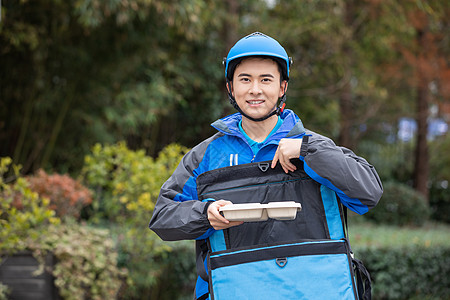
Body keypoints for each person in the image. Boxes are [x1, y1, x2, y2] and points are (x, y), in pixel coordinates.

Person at [149, 32, 383, 300]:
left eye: (266, 80)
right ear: (230, 87)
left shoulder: (315, 146)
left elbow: (368, 194)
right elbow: (163, 217)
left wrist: (306, 150)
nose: (255, 89)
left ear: (282, 87)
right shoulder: (205, 155)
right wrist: (205, 213)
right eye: (245, 79)